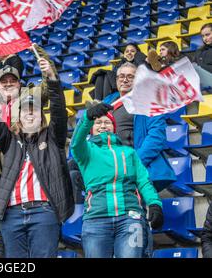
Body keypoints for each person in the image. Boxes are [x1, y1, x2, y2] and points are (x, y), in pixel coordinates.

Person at [0, 45, 56, 258]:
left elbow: (48, 87)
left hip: (21, 171)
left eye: (12, 81)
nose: (8, 84)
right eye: (3, 81)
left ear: (19, 83)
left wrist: (42, 57)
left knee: (21, 224)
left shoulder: (28, 96)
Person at [0, 57, 74, 258]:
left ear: (42, 116)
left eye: (34, 110)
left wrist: (51, 77)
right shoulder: (9, 140)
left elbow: (59, 111)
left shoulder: (52, 138)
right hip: (12, 214)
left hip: (43, 212)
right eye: (25, 111)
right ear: (19, 117)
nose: (30, 114)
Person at [70, 102, 163, 258]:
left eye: (107, 122)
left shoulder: (129, 152)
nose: (103, 125)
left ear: (114, 127)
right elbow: (75, 142)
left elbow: (144, 181)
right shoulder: (85, 151)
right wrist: (87, 117)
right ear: (91, 129)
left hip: (130, 218)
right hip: (95, 219)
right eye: (98, 122)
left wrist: (155, 204)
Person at [103, 62, 176, 191]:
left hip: (133, 164)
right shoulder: (108, 101)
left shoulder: (149, 101)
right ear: (116, 79)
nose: (125, 80)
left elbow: (156, 137)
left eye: (130, 77)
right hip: (108, 164)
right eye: (121, 76)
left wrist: (134, 163)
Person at [192, 23, 212, 89]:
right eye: (202, 36)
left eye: (207, 35)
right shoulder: (199, 51)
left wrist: (200, 68)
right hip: (201, 84)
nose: (205, 38)